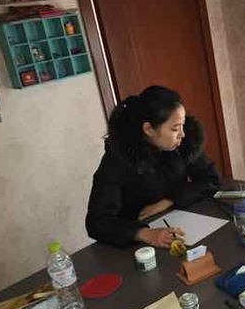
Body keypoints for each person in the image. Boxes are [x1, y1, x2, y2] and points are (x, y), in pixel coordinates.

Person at [86, 85, 221, 247]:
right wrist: (141, 233)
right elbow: (97, 222)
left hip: (180, 224)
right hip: (136, 245)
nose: (183, 134)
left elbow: (210, 179)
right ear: (149, 129)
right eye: (175, 129)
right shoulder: (119, 159)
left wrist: (170, 200)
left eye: (182, 125)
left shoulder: (184, 143)